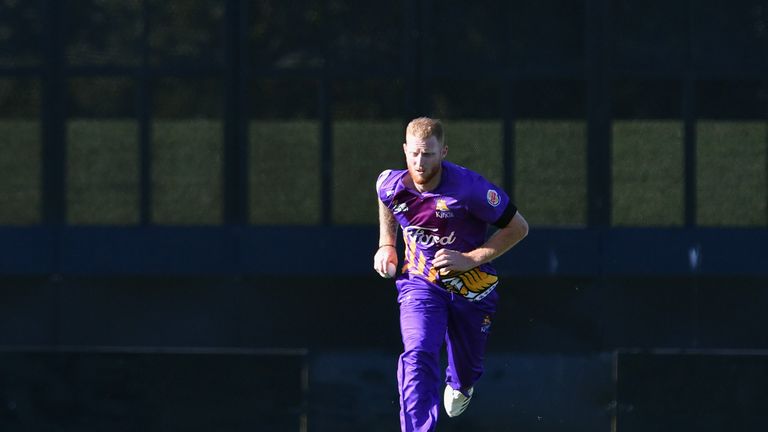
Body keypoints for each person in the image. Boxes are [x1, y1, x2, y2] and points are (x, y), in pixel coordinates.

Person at [373, 117, 528, 432]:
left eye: (428, 154)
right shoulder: (390, 183)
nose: (420, 162)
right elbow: (386, 201)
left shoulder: (470, 189)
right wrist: (387, 244)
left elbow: (518, 228)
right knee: (417, 353)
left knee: (465, 374)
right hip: (420, 284)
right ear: (405, 150)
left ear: (443, 152)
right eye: (414, 153)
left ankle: (462, 383)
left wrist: (469, 259)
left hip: (469, 288)